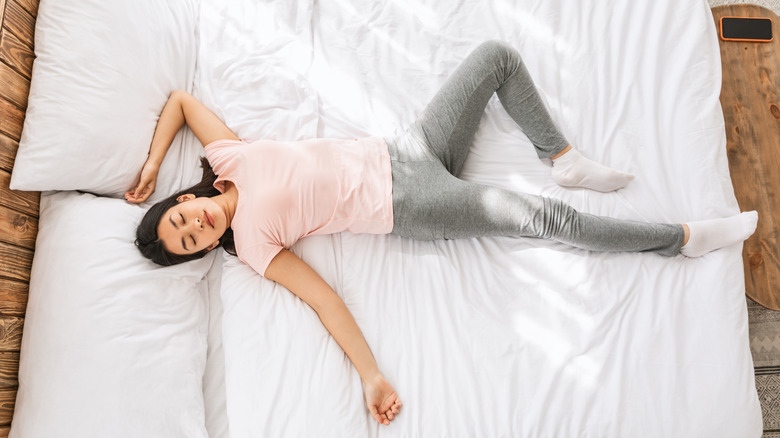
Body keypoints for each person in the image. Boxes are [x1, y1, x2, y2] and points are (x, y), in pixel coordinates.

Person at [125, 40, 757, 426]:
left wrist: (152, 165)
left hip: (408, 148)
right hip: (411, 203)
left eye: (181, 219)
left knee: (496, 57)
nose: (195, 227)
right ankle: (680, 239)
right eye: (190, 242)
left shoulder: (226, 159)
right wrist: (370, 375)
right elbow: (324, 301)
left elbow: (181, 100)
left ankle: (562, 156)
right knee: (545, 219)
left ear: (185, 198)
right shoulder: (254, 247)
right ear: (204, 251)